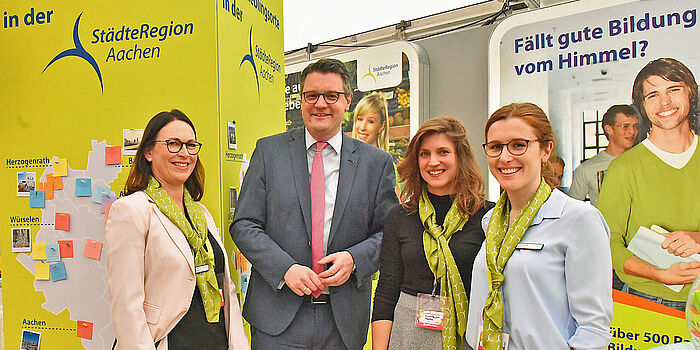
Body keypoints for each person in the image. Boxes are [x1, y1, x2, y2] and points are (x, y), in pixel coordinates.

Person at [230, 58, 398, 350]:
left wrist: (354, 259)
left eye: (331, 96)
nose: (320, 104)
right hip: (276, 317)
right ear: (302, 100)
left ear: (347, 101)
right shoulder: (269, 152)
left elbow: (391, 233)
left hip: (343, 320)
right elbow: (244, 224)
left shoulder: (376, 163)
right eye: (311, 96)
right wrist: (285, 268)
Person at [466, 103, 612, 350]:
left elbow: (593, 329)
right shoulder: (491, 221)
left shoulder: (578, 219)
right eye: (495, 147)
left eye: (518, 145)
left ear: (546, 150)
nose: (505, 157)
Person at [105, 110, 249, 350]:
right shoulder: (131, 210)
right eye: (173, 144)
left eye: (191, 145)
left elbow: (227, 288)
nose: (184, 153)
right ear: (148, 152)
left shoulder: (201, 213)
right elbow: (126, 307)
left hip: (216, 341)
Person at [371, 116, 492, 350]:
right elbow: (386, 292)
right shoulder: (400, 216)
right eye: (424, 154)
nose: (433, 161)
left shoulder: (488, 216)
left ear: (460, 157)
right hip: (408, 335)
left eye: (443, 152)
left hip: (467, 334)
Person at [597, 58, 700, 310]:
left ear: (691, 92)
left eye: (673, 90)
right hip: (647, 301)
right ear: (642, 106)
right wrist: (659, 274)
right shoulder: (624, 168)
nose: (664, 102)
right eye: (652, 95)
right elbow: (604, 242)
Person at [569, 104, 639, 205]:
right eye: (625, 126)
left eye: (635, 126)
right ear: (609, 129)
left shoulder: (645, 163)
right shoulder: (586, 169)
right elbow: (572, 212)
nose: (632, 131)